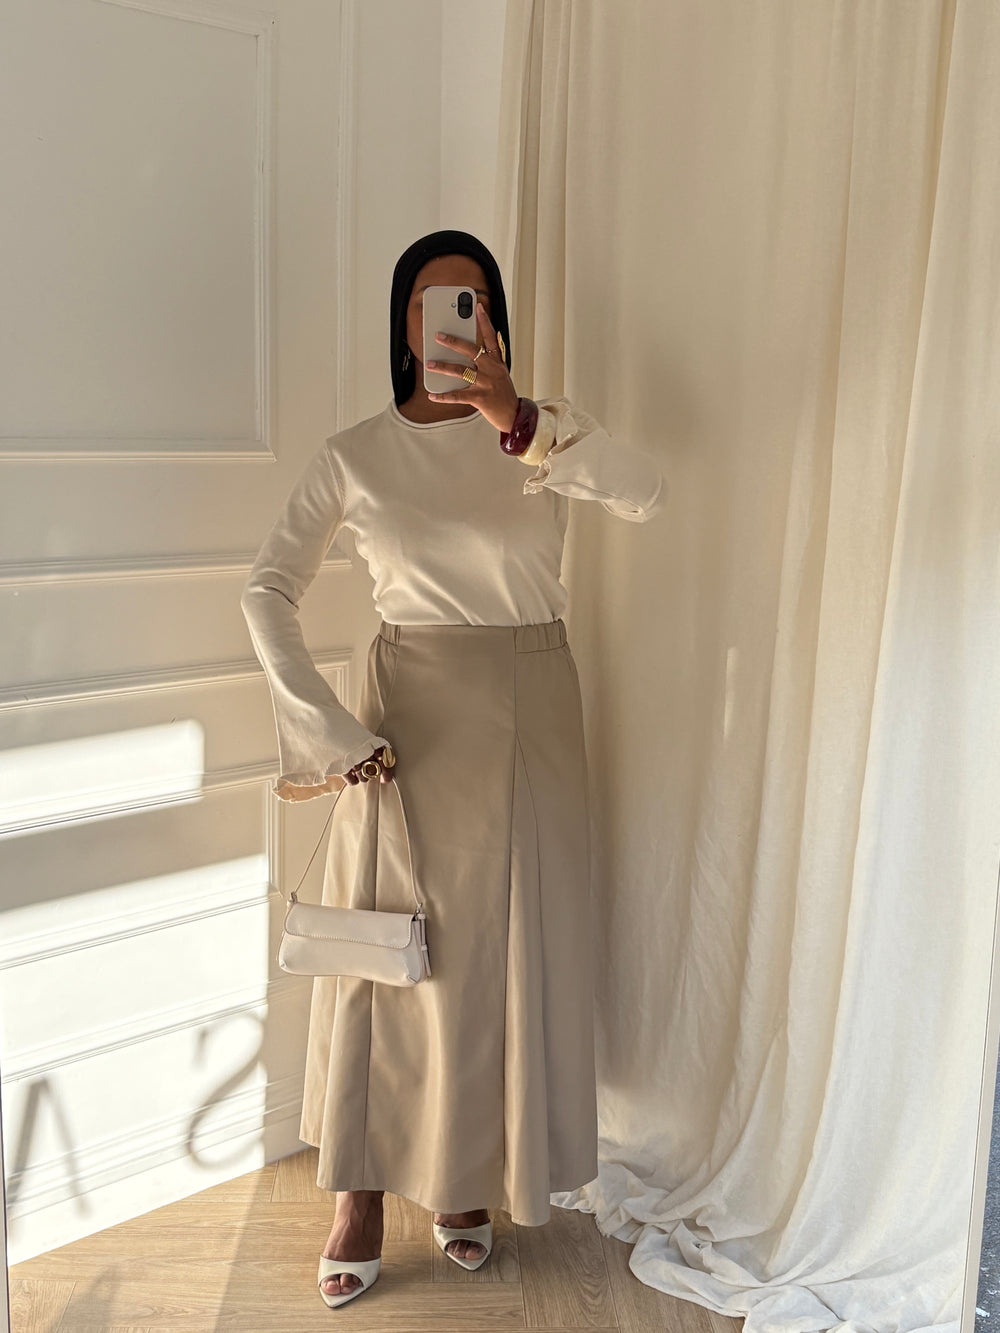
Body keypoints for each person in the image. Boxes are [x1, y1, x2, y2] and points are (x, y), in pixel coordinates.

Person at [240, 229, 665, 1309]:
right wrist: (330, 731)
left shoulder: (540, 436)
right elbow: (267, 589)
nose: (452, 323)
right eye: (433, 304)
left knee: (495, 961)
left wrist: (520, 422)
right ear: (405, 325)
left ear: (495, 321)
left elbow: (646, 491)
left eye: (471, 302)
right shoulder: (354, 455)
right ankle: (359, 1195)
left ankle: (465, 1177)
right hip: (407, 726)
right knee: (390, 962)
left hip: (534, 708)